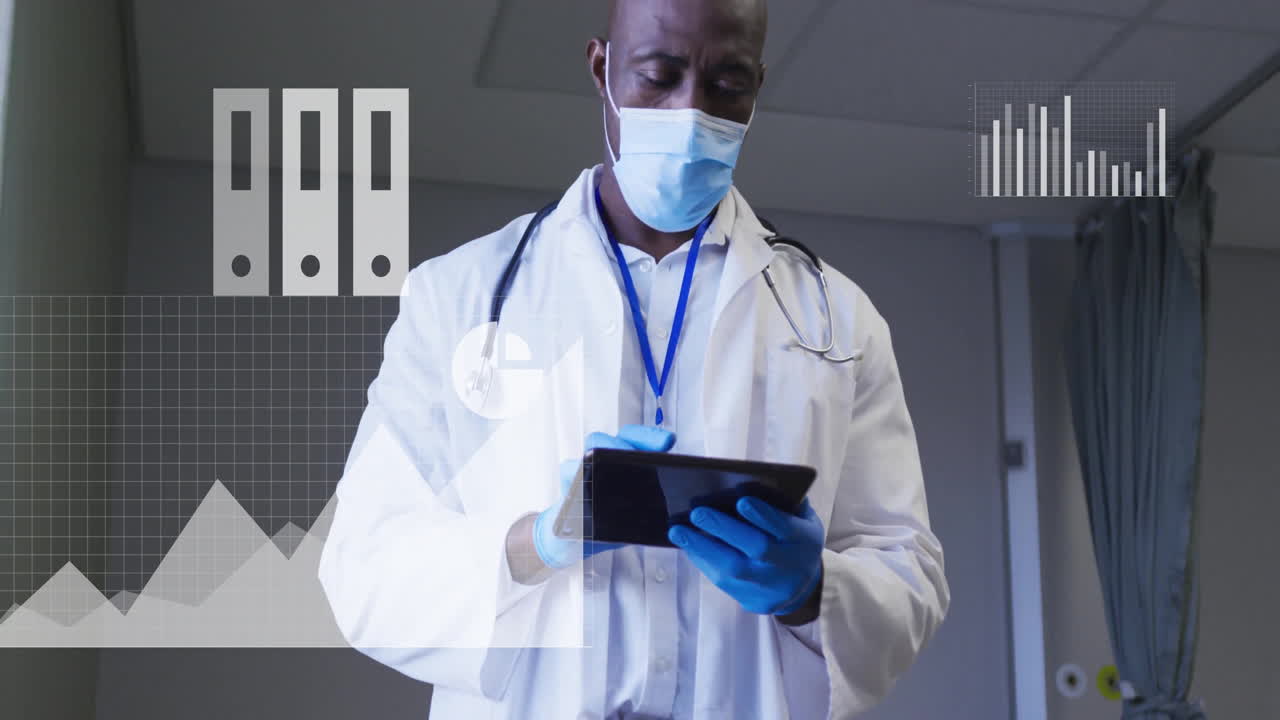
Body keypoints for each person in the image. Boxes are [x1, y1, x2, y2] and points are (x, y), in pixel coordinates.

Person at [318, 0, 949, 717]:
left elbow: (911, 574)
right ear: (602, 67)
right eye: (659, 75)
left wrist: (811, 590)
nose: (691, 111)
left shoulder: (838, 319)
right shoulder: (458, 297)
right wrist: (537, 543)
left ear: (757, 88)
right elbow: (363, 572)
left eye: (728, 86)